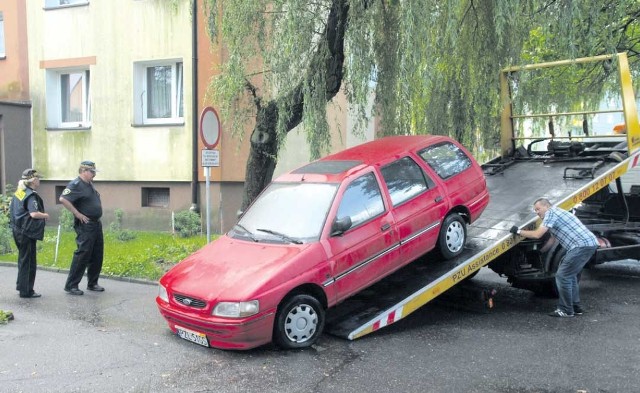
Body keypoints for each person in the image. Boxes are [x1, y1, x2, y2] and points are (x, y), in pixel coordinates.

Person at [510, 198, 598, 318]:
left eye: (538, 209)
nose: (536, 212)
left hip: (580, 246)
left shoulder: (551, 213)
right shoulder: (557, 213)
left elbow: (537, 234)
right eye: (535, 210)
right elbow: (553, 239)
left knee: (563, 276)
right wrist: (541, 252)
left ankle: (566, 310)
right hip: (587, 244)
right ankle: (575, 307)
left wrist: (519, 231)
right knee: (570, 276)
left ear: (546, 206)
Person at [61, 161, 105, 295]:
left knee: (97, 254)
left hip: (96, 223)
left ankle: (92, 283)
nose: (94, 175)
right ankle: (71, 285)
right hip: (86, 225)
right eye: (92, 172)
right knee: (83, 254)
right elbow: (63, 199)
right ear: (84, 171)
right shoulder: (76, 184)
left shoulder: (89, 184)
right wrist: (77, 213)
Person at [9, 169, 49, 298]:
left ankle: (21, 286)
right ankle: (26, 291)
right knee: (29, 261)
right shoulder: (31, 195)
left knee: (23, 259)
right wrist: (45, 215)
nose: (39, 180)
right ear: (33, 180)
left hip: (18, 229)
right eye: (38, 178)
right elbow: (34, 214)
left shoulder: (20, 192)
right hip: (27, 232)